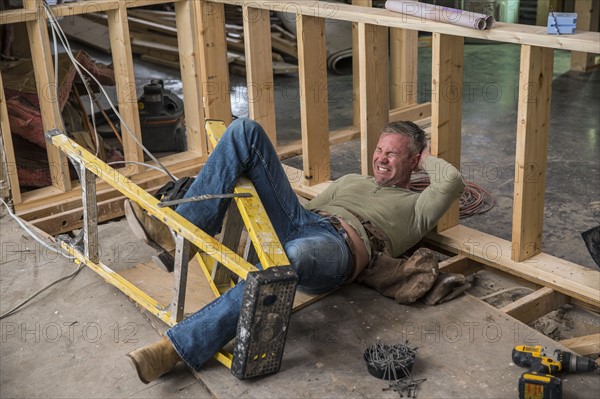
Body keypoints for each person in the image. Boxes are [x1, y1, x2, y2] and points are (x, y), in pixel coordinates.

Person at [124, 118, 465, 383]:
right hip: (304, 222)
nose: (381, 158)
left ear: (414, 161)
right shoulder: (351, 182)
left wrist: (427, 156)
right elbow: (304, 211)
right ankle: (180, 232)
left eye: (393, 153)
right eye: (379, 149)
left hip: (338, 247)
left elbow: (451, 181)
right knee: (245, 131)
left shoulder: (417, 207)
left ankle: (174, 348)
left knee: (294, 256)